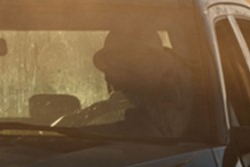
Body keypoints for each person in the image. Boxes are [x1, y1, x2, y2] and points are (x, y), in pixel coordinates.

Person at [53, 29, 191, 138]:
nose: (109, 78)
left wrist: (79, 133)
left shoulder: (180, 95)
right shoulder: (144, 96)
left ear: (148, 60)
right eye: (110, 66)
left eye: (118, 65)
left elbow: (157, 140)